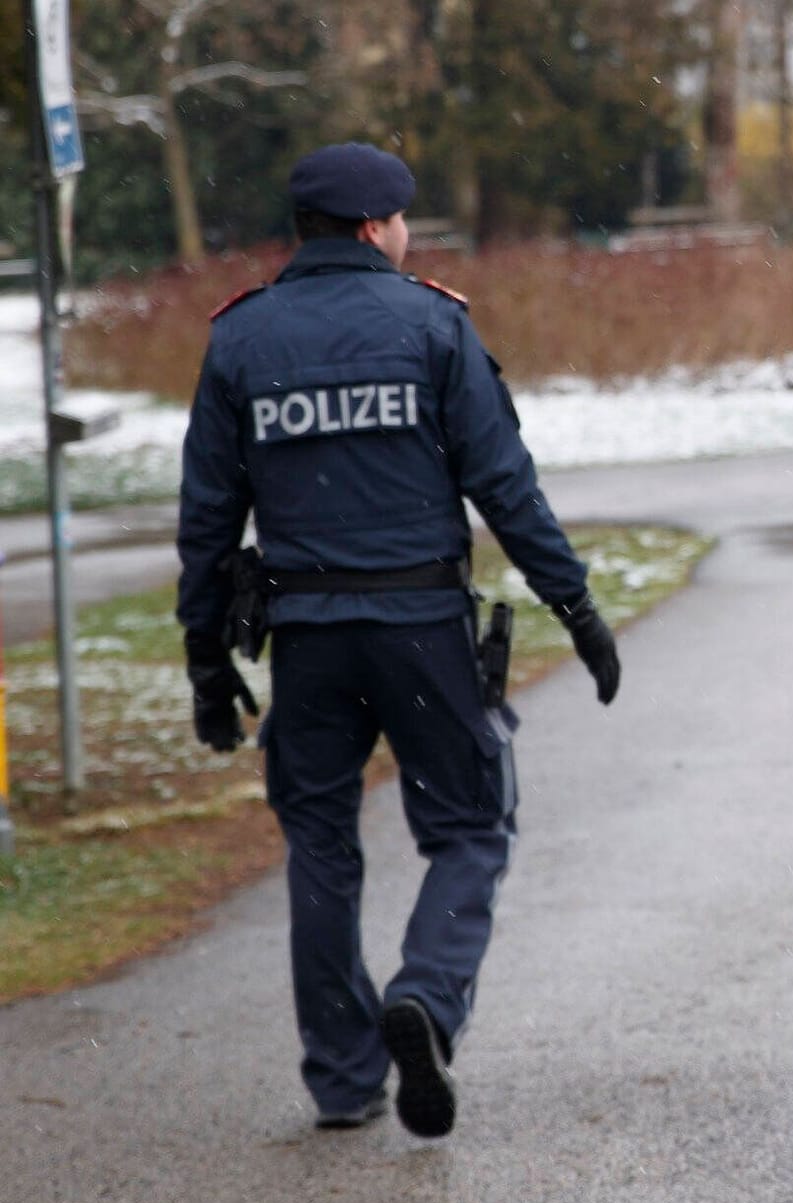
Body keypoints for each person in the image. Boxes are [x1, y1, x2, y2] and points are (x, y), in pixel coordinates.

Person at [176, 142, 622, 1138]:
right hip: (421, 628)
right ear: (378, 227)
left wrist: (206, 655)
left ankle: (342, 1076)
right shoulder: (431, 324)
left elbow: (207, 515)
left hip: (308, 641)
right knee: (469, 826)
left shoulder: (242, 340)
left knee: (321, 847)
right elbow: (505, 485)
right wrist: (577, 608)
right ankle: (426, 992)